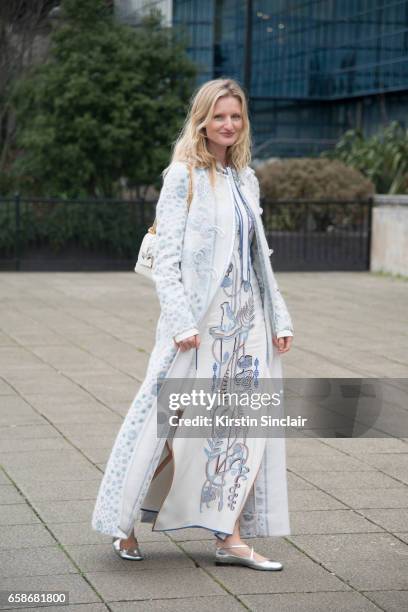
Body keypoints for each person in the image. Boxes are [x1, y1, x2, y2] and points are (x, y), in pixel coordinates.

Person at [91, 78, 294, 571]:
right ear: (202, 120)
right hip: (196, 326)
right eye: (219, 116)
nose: (228, 124)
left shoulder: (246, 178)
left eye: (236, 117)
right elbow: (165, 259)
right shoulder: (183, 176)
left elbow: (258, 255)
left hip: (245, 326)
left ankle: (230, 538)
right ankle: (124, 524)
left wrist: (279, 317)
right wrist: (181, 322)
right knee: (164, 424)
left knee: (240, 430)